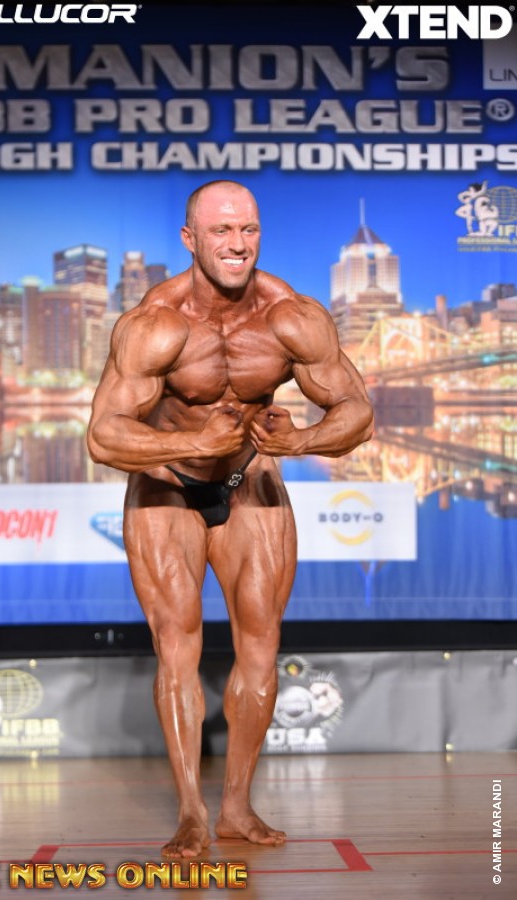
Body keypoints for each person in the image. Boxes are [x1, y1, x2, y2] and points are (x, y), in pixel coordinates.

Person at [88, 180, 374, 858]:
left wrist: (299, 441)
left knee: (261, 643)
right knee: (177, 642)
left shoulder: (291, 317)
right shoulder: (156, 324)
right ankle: (191, 810)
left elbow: (357, 412)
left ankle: (237, 807)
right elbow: (103, 436)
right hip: (167, 485)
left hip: (250, 480)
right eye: (221, 230)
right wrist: (193, 441)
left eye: (248, 229)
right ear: (190, 239)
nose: (237, 243)